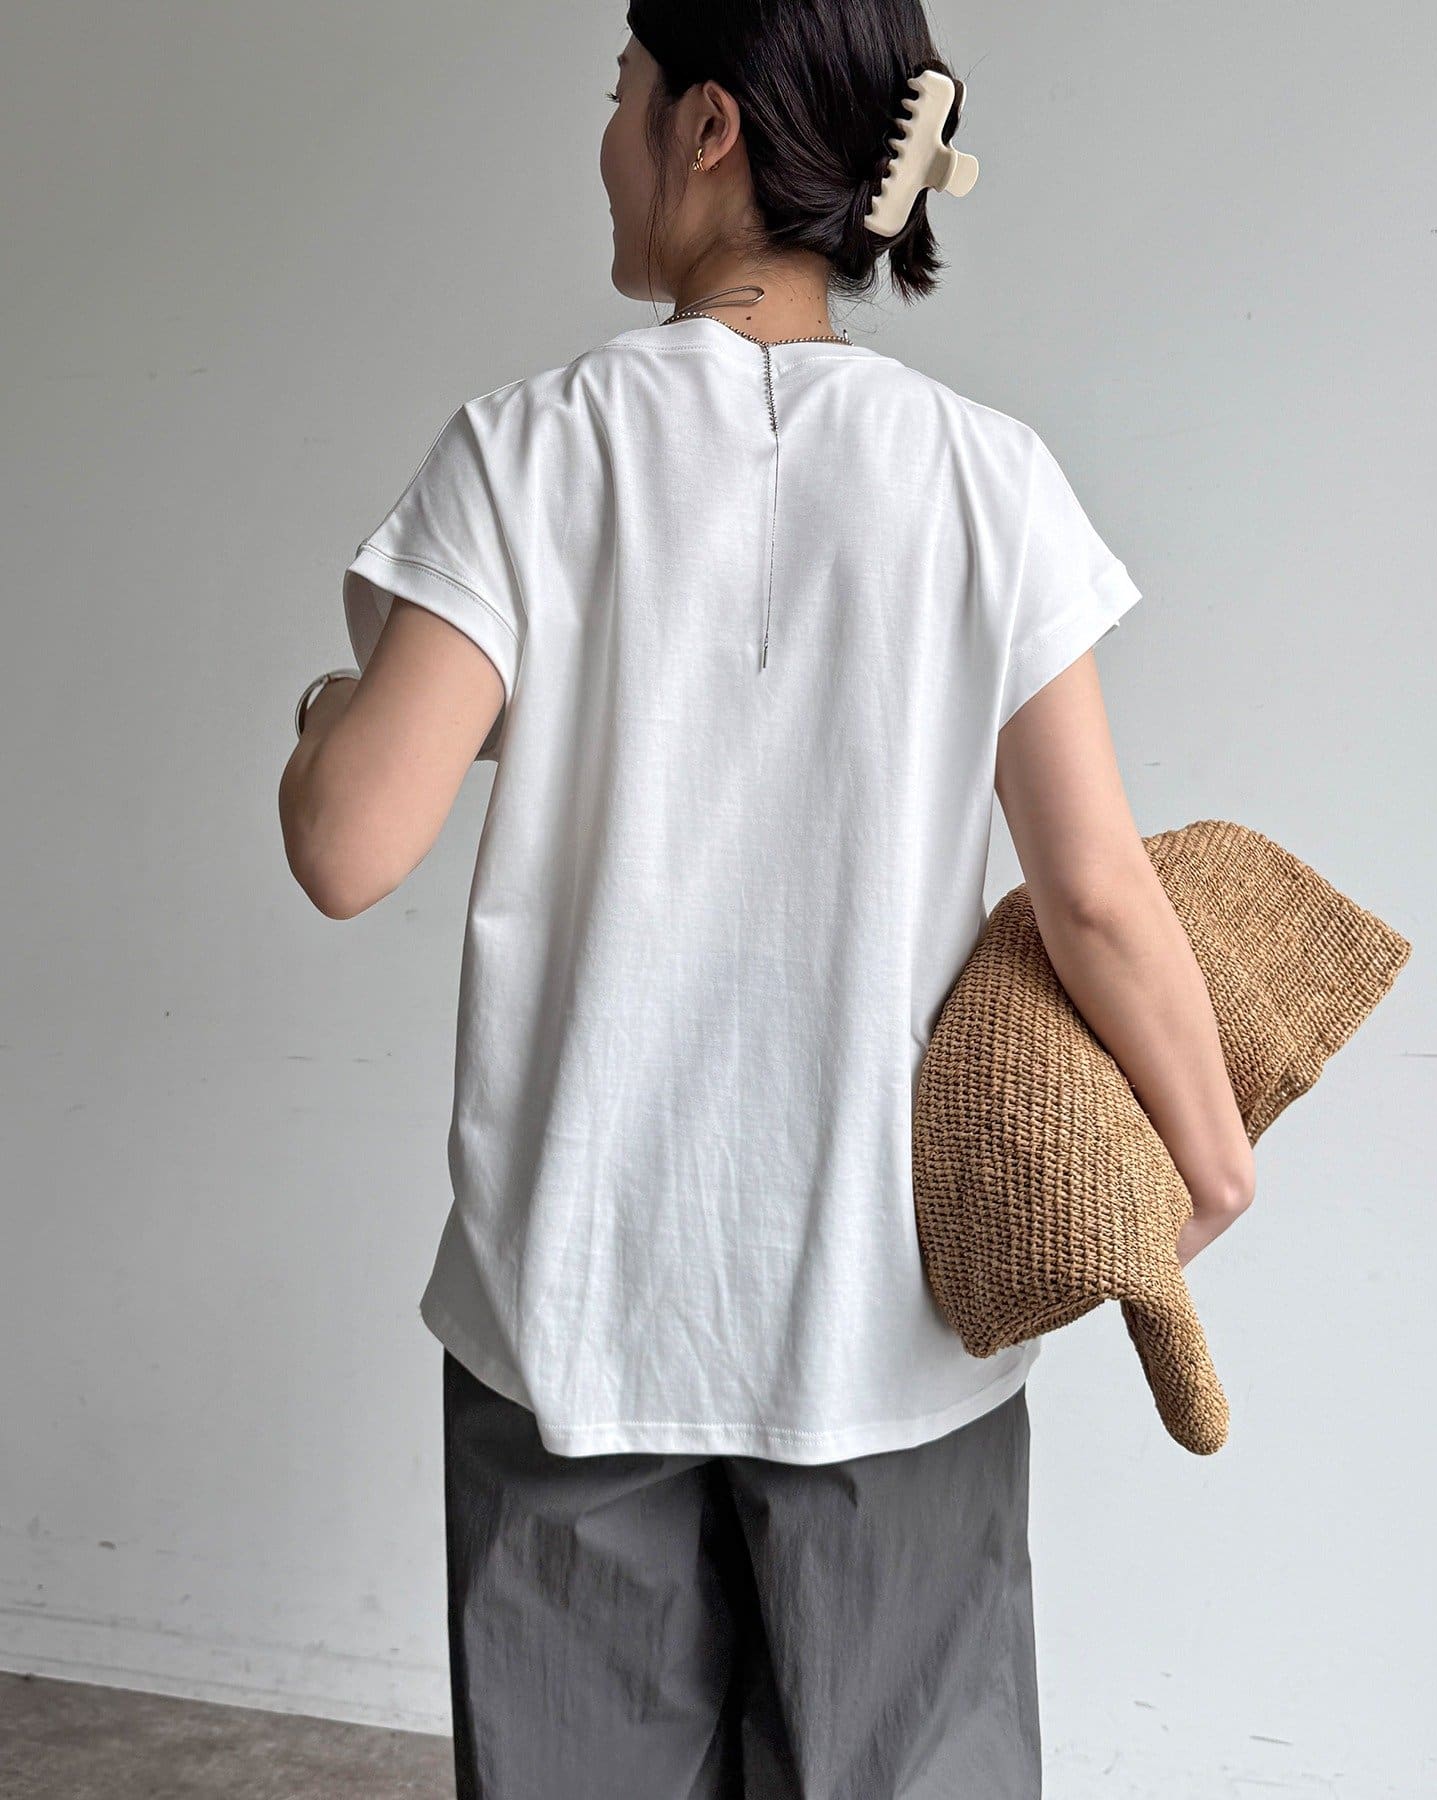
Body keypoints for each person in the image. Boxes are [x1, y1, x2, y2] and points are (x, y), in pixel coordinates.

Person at [279, 3, 1256, 1794]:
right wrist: (1210, 1155)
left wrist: (328, 717)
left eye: (624, 96)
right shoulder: (985, 477)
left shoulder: (530, 452)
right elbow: (1098, 892)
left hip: (573, 1310)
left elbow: (348, 845)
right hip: (882, 1317)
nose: (610, 138)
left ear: (707, 126)